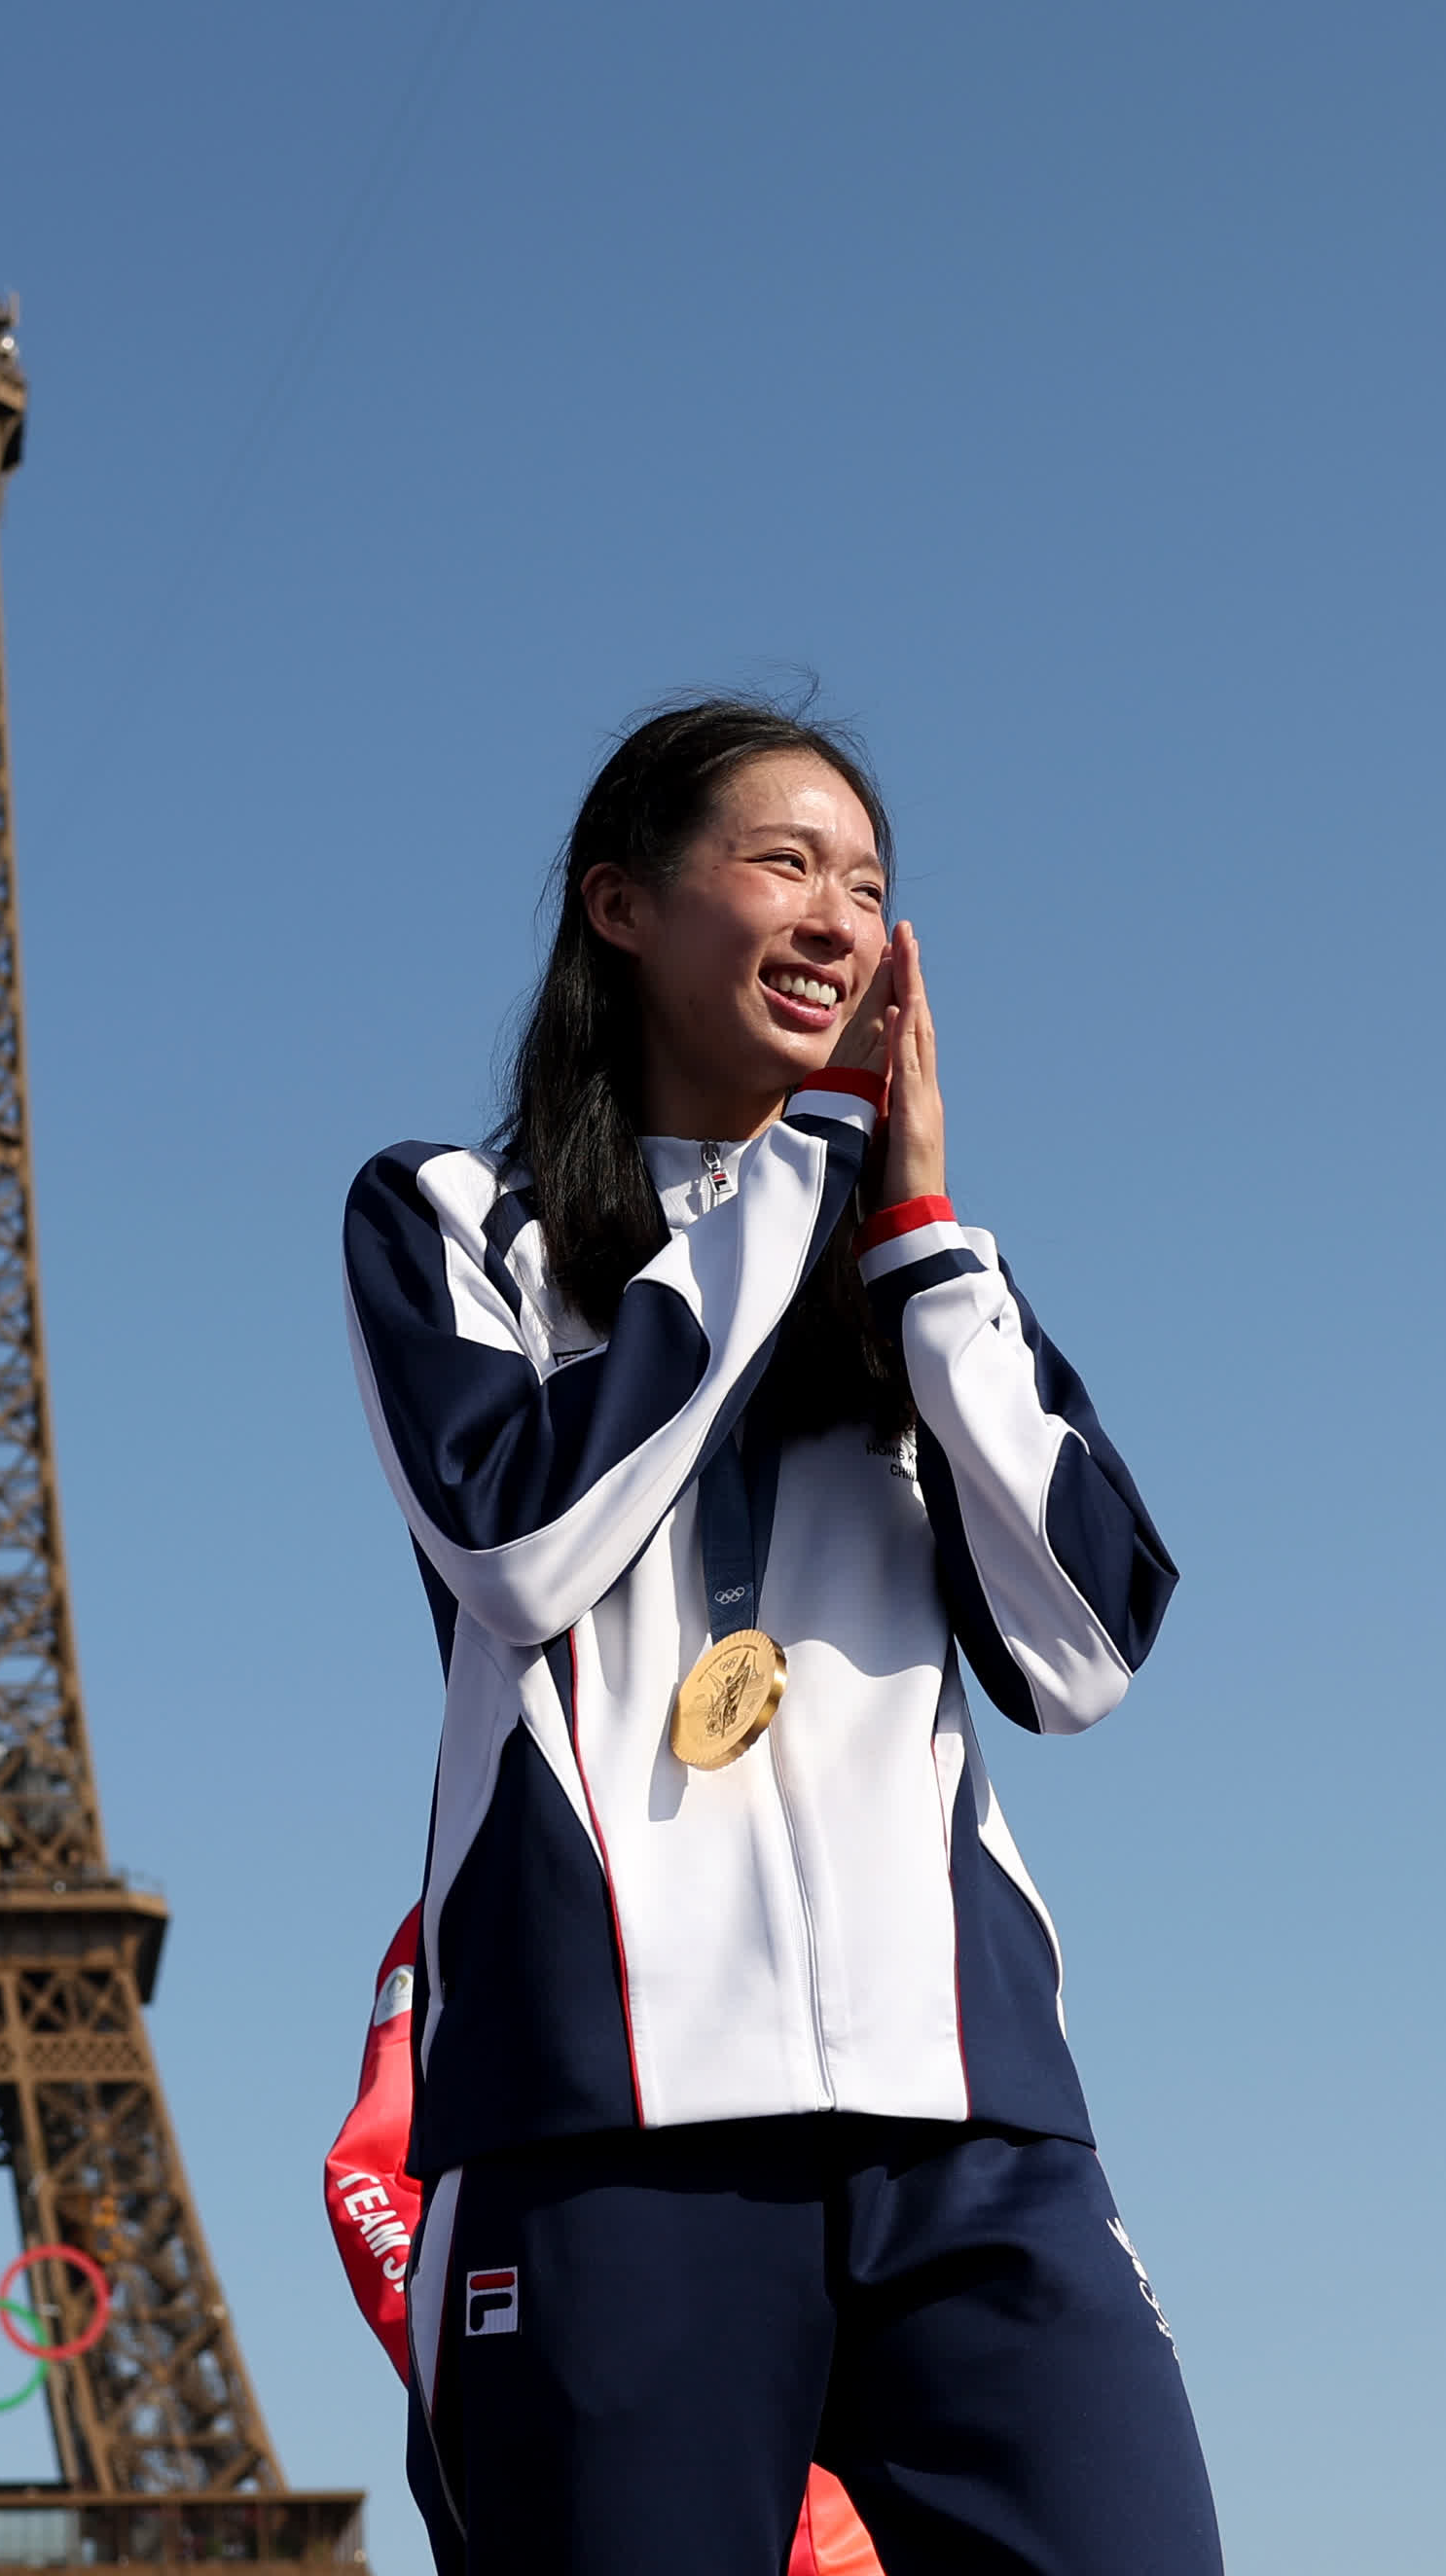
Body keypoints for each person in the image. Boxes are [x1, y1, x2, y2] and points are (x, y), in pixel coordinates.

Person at [341, 698, 1222, 2576]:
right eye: (783, 861)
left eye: (871, 882)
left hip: (967, 2114)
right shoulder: (453, 1218)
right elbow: (522, 1541)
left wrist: (914, 1237)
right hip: (611, 2120)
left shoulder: (907, 1272)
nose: (839, 911)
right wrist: (794, 1173)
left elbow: (1081, 1655)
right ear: (620, 906)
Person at [324, 1906, 886, 2576]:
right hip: (612, 2457)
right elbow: (377, 2177)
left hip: (852, 2509)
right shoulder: (485, 1878)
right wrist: (518, 2360)